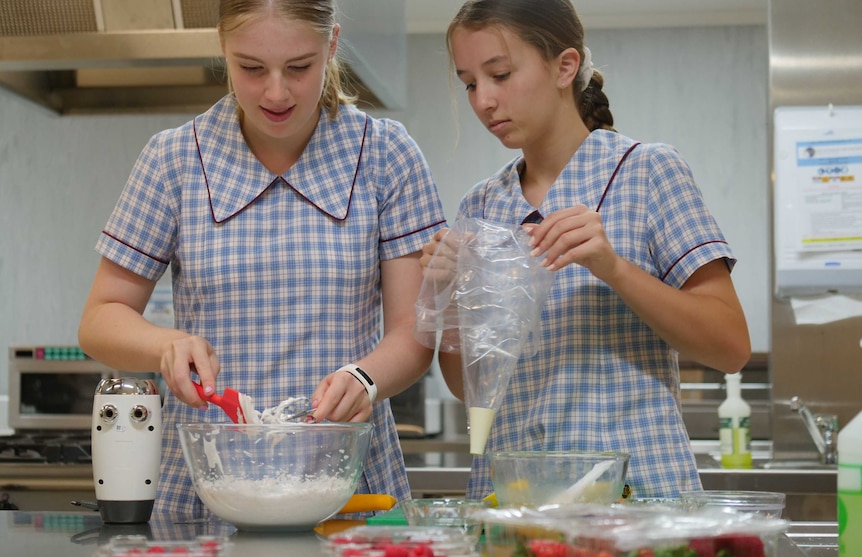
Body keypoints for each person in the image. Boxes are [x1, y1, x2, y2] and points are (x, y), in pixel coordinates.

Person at [78, 0, 446, 517]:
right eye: (251, 68)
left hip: (346, 487)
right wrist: (167, 345)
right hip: (209, 487)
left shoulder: (387, 155)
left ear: (332, 45)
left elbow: (414, 332)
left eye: (299, 67)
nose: (276, 92)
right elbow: (99, 319)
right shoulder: (174, 160)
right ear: (223, 49)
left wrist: (365, 379)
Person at [420, 0, 751, 500]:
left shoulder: (646, 172)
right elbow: (470, 387)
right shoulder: (482, 205)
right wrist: (447, 293)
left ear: (565, 66)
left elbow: (730, 347)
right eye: (470, 83)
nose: (484, 100)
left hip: (638, 499)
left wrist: (613, 268)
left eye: (501, 74)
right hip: (515, 500)